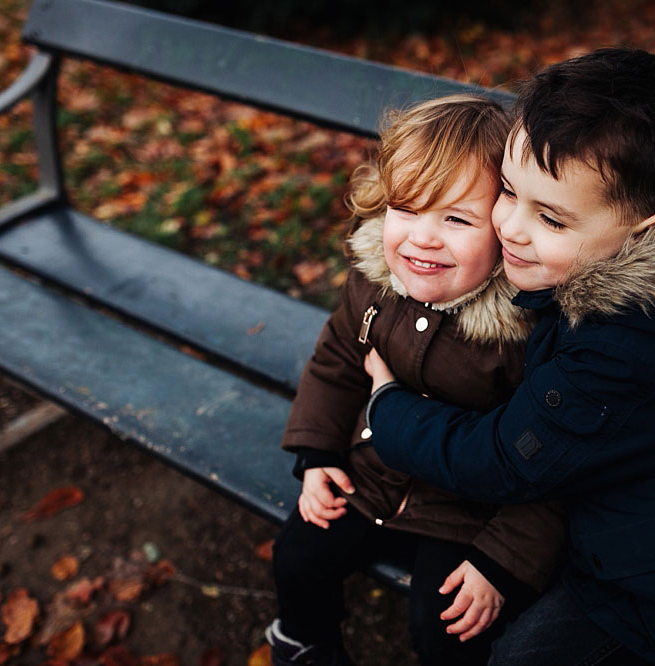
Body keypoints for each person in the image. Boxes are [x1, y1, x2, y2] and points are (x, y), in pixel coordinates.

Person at [363, 49, 655, 665]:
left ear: (646, 232)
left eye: (551, 220)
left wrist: (388, 408)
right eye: (509, 191)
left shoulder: (630, 350)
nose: (508, 225)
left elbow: (505, 460)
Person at [266, 94, 566, 666]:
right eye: (406, 209)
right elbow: (335, 361)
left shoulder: (526, 335)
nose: (423, 238)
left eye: (456, 219)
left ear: (505, 228)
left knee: (446, 624)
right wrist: (317, 452)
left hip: (469, 512)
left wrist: (501, 560)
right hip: (371, 477)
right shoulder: (375, 286)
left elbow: (551, 462)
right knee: (297, 557)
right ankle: (305, 642)